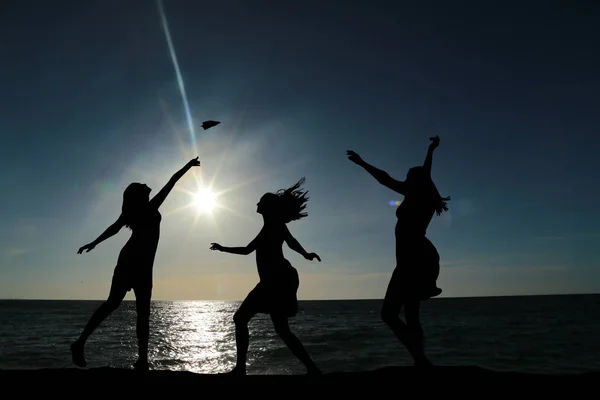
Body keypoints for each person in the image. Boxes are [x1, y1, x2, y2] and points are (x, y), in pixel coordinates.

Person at [70, 156, 201, 370]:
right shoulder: (146, 208)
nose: (146, 186)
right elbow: (172, 181)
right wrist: (94, 243)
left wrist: (94, 243)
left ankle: (141, 360)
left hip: (143, 266)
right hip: (131, 261)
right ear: (137, 196)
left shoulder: (139, 210)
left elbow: (114, 228)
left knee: (140, 312)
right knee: (115, 304)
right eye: (141, 187)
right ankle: (81, 343)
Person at [346, 136, 450, 366]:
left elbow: (406, 174)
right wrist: (363, 163)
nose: (404, 180)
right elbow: (393, 177)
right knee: (410, 315)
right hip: (412, 259)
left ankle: (420, 358)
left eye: (408, 176)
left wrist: (431, 150)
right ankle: (420, 359)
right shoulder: (415, 193)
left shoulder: (419, 195)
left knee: (392, 315)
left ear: (417, 181)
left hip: (414, 259)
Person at [210, 177, 322, 376]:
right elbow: (247, 250)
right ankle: (312, 368)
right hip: (277, 280)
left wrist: (306, 254)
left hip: (277, 280)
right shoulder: (269, 225)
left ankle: (240, 370)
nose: (257, 204)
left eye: (261, 201)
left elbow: (291, 241)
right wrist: (222, 248)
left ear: (268, 206)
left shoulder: (275, 224)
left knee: (241, 318)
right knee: (281, 329)